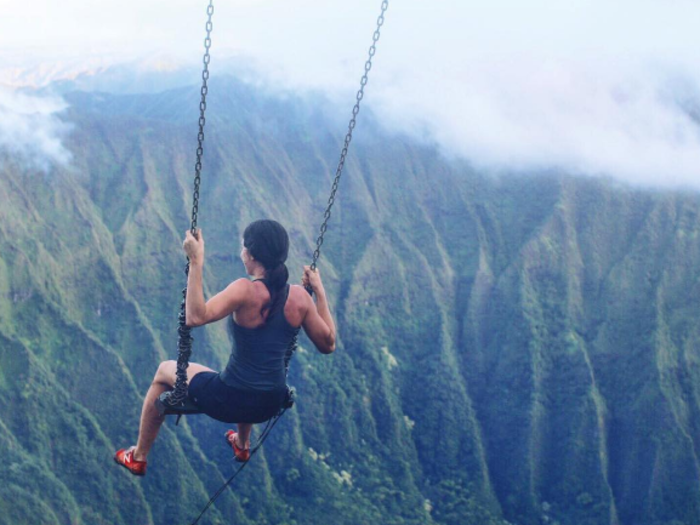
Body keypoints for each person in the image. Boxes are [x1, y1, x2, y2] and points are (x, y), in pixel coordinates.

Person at [114, 219, 335, 476]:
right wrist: (319, 291)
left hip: (229, 399)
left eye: (243, 248)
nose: (241, 253)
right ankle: (242, 443)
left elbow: (196, 317)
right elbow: (328, 343)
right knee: (248, 374)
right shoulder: (300, 297)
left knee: (165, 370)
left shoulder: (244, 290)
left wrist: (196, 261)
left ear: (251, 255)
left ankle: (138, 456)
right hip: (270, 402)